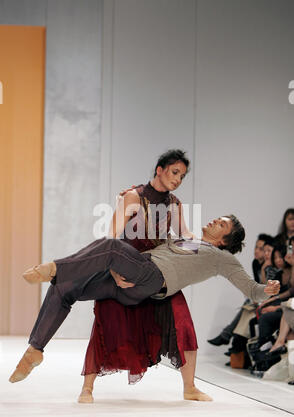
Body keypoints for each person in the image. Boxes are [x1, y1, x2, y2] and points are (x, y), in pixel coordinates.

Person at [9, 212, 280, 387]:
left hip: (151, 280)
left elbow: (251, 289)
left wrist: (266, 290)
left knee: (111, 245)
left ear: (224, 240)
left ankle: (54, 267)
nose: (214, 221)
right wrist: (116, 270)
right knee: (63, 289)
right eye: (218, 218)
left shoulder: (222, 259)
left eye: (221, 225)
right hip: (131, 276)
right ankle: (35, 350)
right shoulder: (185, 240)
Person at [79, 150, 207, 403]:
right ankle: (87, 387)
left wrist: (206, 247)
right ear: (159, 170)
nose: (178, 179)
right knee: (105, 325)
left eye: (182, 176)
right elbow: (112, 237)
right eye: (174, 172)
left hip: (158, 275)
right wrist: (113, 271)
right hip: (125, 272)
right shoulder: (132, 197)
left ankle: (190, 387)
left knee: (182, 321)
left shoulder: (175, 204)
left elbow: (185, 236)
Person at [207, 233, 271, 347]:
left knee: (247, 307)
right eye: (256, 247)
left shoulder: (270, 267)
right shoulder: (255, 263)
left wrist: (264, 269)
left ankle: (227, 337)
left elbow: (267, 288)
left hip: (269, 298)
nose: (256, 251)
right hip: (260, 298)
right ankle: (234, 346)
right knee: (247, 306)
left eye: (261, 249)